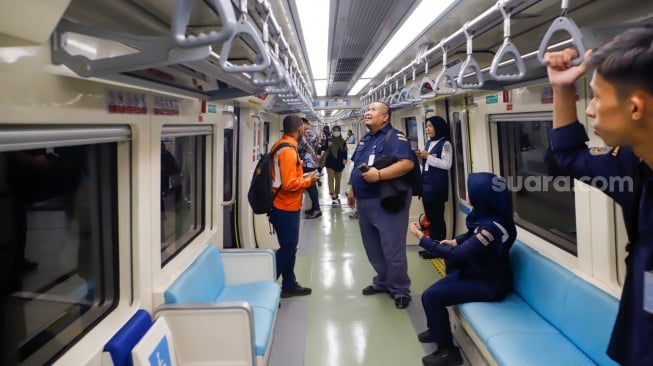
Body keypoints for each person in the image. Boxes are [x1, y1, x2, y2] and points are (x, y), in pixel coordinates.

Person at [544, 28, 653, 365]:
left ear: (635, 107)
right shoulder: (633, 167)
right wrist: (562, 88)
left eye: (594, 97)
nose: (589, 111)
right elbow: (569, 158)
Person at [409, 172, 516, 366]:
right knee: (428, 295)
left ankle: (448, 353)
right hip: (476, 272)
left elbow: (458, 255)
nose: (467, 193)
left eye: (471, 190)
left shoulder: (491, 228)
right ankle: (437, 330)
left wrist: (421, 238)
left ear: (481, 195)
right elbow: (471, 234)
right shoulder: (488, 216)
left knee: (432, 297)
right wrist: (454, 240)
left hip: (488, 284)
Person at [347, 101, 415, 309]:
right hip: (364, 201)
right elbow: (357, 165)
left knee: (392, 248)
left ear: (385, 117)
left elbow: (407, 163)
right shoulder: (366, 138)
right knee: (373, 247)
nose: (368, 112)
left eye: (373, 110)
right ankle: (383, 281)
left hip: (386, 201)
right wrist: (352, 188)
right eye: (367, 110)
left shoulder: (394, 138)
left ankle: (400, 289)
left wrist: (379, 175)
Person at [269, 115, 320, 298]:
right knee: (288, 248)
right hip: (284, 207)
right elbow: (290, 184)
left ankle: (289, 284)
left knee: (290, 246)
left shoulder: (281, 145)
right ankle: (266, 284)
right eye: (303, 129)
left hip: (284, 205)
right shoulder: (288, 151)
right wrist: (309, 180)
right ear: (299, 129)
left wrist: (305, 177)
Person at [415, 116, 452, 245]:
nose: (427, 129)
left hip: (436, 187)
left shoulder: (445, 144)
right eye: (427, 126)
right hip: (426, 186)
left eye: (430, 126)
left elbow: (447, 164)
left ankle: (439, 246)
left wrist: (428, 157)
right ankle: (432, 245)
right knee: (430, 218)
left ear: (438, 127)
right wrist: (421, 157)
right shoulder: (429, 143)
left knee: (437, 219)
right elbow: (427, 164)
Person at [298, 118, 322, 219]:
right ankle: (315, 208)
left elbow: (300, 146)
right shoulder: (314, 132)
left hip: (308, 163)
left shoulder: (305, 134)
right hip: (313, 162)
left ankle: (316, 210)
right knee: (312, 187)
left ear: (303, 124)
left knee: (311, 188)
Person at [325, 125, 348, 203]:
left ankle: (336, 192)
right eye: (335, 130)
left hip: (339, 163)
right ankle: (332, 193)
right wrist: (327, 145)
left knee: (338, 180)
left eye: (338, 130)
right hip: (330, 163)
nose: (336, 132)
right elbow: (323, 148)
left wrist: (345, 159)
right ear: (332, 131)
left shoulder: (343, 141)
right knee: (330, 179)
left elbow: (345, 151)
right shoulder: (328, 140)